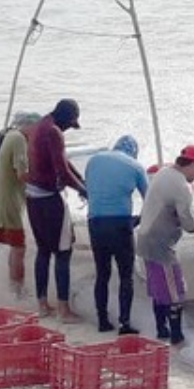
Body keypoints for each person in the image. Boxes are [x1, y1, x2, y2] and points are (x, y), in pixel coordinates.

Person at [135, 144, 194, 344]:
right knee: (176, 293)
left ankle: (161, 331)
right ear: (192, 164)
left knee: (158, 291)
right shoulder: (182, 186)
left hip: (145, 240)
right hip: (161, 246)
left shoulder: (164, 173)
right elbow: (190, 225)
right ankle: (176, 337)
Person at [25, 98, 88, 321]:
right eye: (70, 124)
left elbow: (62, 159)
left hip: (32, 195)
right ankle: (63, 310)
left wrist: (80, 179)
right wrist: (84, 190)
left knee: (43, 250)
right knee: (63, 251)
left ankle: (42, 305)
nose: (69, 129)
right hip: (49, 198)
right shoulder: (54, 131)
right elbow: (61, 170)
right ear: (65, 118)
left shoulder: (40, 125)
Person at [85, 135, 148, 334]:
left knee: (102, 274)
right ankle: (124, 323)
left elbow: (89, 189)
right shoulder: (135, 166)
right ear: (134, 152)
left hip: (95, 223)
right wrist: (138, 220)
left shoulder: (94, 160)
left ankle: (102, 321)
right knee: (125, 276)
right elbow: (151, 199)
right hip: (120, 224)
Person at [0, 111, 42, 299]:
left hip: (5, 200)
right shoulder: (19, 139)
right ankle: (18, 290)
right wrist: (44, 180)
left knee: (15, 247)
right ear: (29, 126)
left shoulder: (10, 136)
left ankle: (14, 288)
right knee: (19, 248)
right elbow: (22, 174)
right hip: (9, 202)